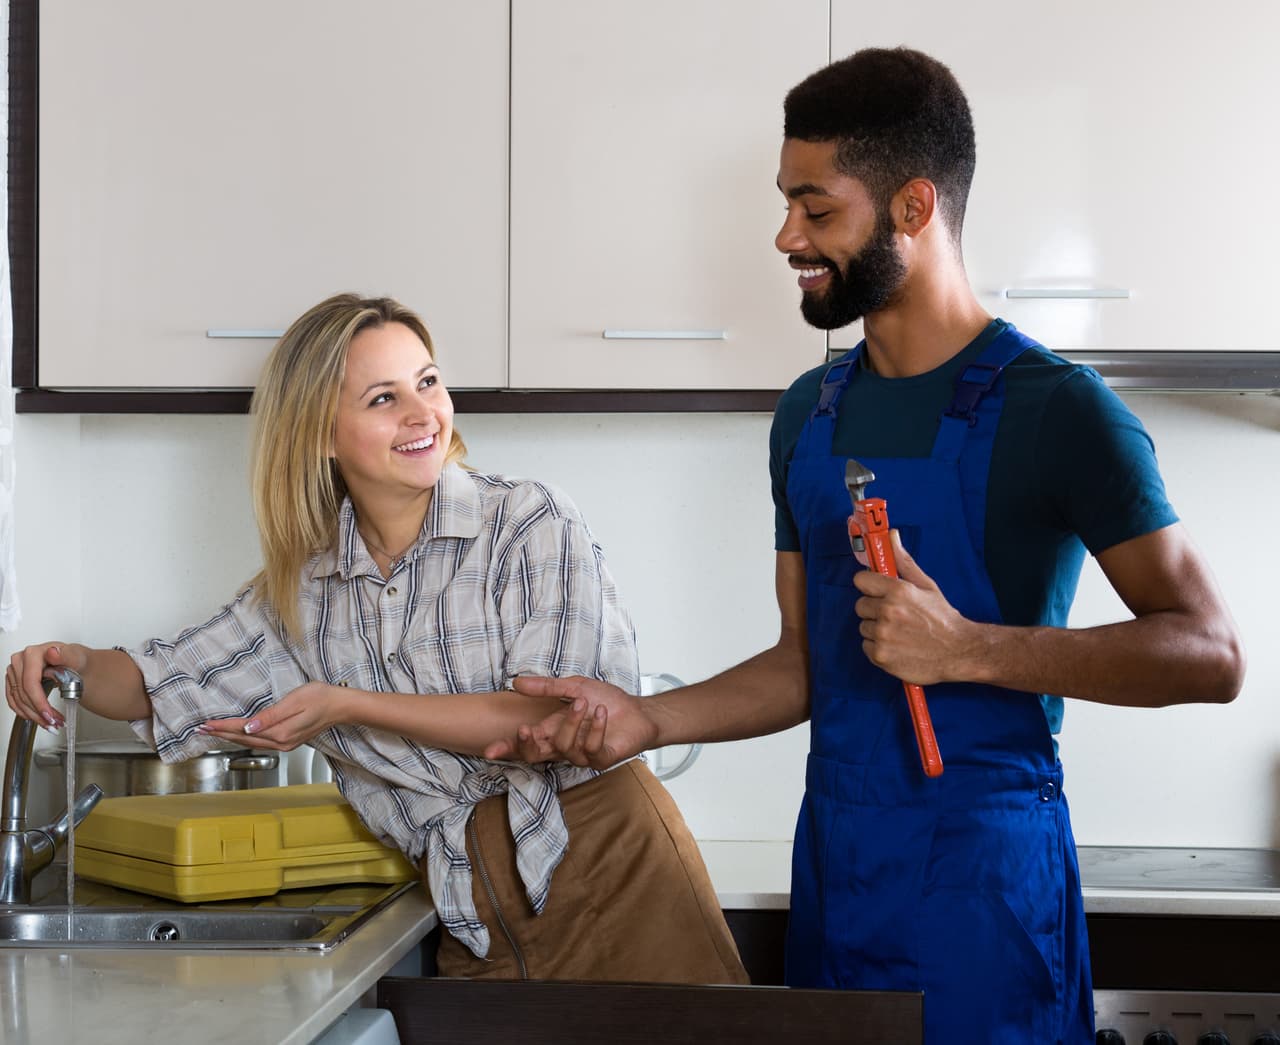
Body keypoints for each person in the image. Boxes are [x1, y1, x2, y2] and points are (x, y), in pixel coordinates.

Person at [487, 48, 1246, 1042]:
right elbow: (807, 663)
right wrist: (644, 720)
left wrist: (970, 648)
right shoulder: (809, 412)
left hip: (986, 902)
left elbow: (1208, 652)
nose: (784, 235)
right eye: (784, 203)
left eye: (815, 208)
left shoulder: (1059, 410)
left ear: (911, 208)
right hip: (840, 881)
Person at [5, 292, 747, 986]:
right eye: (383, 398)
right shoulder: (301, 592)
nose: (424, 412)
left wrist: (348, 705)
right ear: (320, 435)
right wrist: (72, 661)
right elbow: (160, 682)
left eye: (427, 381)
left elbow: (548, 723)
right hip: (470, 908)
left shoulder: (526, 521)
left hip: (611, 869)